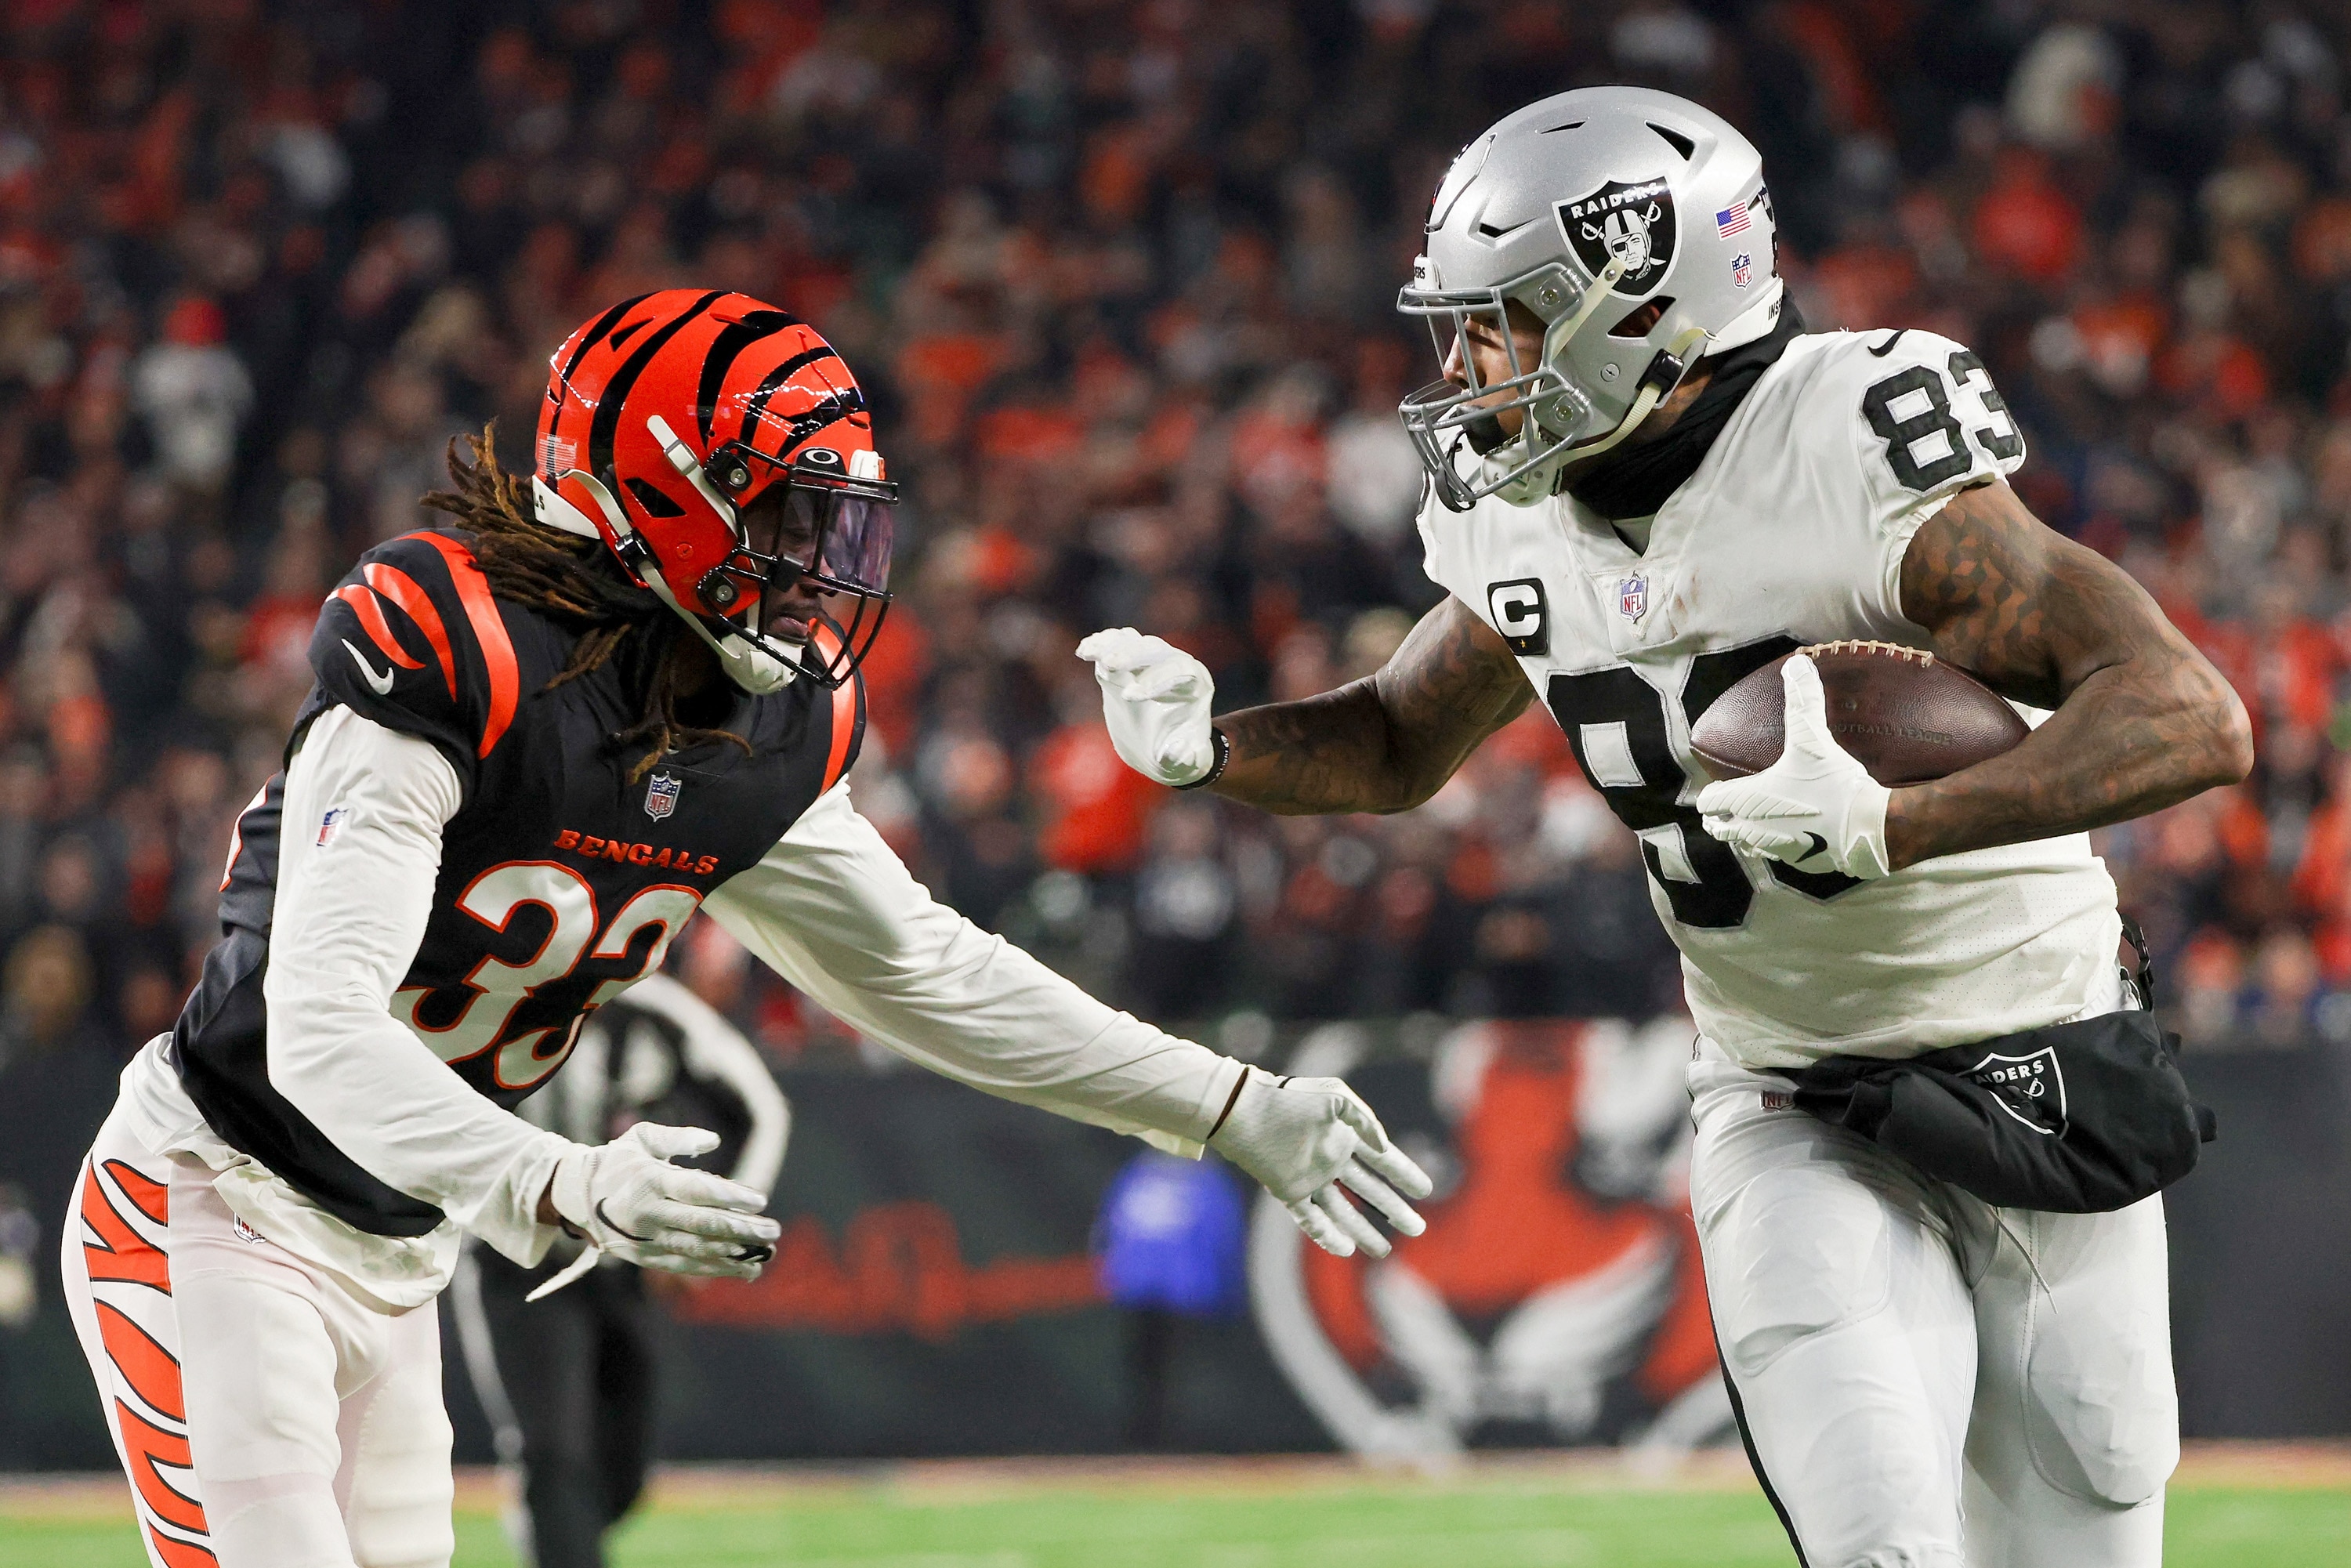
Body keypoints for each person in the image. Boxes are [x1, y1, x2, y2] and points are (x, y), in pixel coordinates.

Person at [62, 288, 1430, 1568]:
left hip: (403, 1249)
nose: (820, 566)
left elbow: (924, 972)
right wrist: (558, 1180)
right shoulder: (457, 649)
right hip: (215, 1201)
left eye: (834, 524)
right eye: (784, 514)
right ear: (661, 489)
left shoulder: (756, 721)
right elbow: (314, 1034)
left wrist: (1225, 1105)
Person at [1082, 88, 2251, 1568]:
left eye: (1506, 320)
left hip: (2039, 1057)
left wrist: (1898, 820)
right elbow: (1390, 740)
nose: (1469, 366)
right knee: (1885, 1545)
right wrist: (1210, 751)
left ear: (1644, 303)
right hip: (1790, 1092)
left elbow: (2186, 712)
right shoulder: (1526, 516)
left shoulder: (1850, 439)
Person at [450, 972, 788, 1568]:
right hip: (514, 1263)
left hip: (622, 1263)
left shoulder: (653, 1011)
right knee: (552, 1451)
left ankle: (548, 1527)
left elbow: (760, 1107)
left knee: (625, 1464)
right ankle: (555, 1532)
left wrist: (698, 1231)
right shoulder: (481, 1001)